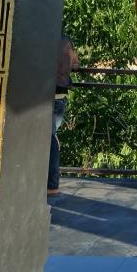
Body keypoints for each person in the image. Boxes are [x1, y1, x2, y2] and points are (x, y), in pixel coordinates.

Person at [48, 34, 79, 196]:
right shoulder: (67, 42)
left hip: (45, 96)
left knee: (49, 139)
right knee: (52, 137)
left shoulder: (45, 39)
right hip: (61, 96)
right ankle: (51, 183)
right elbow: (75, 65)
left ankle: (51, 184)